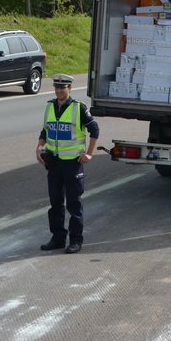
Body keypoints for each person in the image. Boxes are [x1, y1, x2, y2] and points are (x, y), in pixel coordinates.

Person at [37, 73, 100, 254]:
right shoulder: (49, 106)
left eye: (62, 88)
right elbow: (45, 130)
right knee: (55, 203)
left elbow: (94, 129)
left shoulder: (78, 108)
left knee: (73, 204)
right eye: (56, 87)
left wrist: (89, 154)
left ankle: (75, 241)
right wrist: (39, 148)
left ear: (69, 89)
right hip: (54, 163)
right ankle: (57, 238)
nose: (58, 91)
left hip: (72, 163)